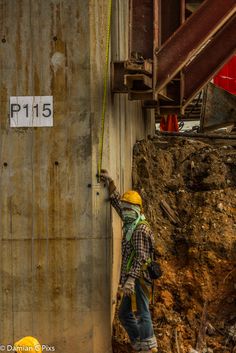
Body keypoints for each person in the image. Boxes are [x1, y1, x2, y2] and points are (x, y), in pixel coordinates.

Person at [101, 170, 158, 353]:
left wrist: (131, 279)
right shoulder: (130, 222)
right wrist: (111, 186)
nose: (125, 212)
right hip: (130, 280)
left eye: (129, 209)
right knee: (125, 314)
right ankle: (139, 344)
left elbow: (141, 257)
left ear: (138, 210)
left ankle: (149, 348)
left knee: (142, 313)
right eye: (124, 208)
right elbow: (119, 206)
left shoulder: (139, 229)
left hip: (139, 279)